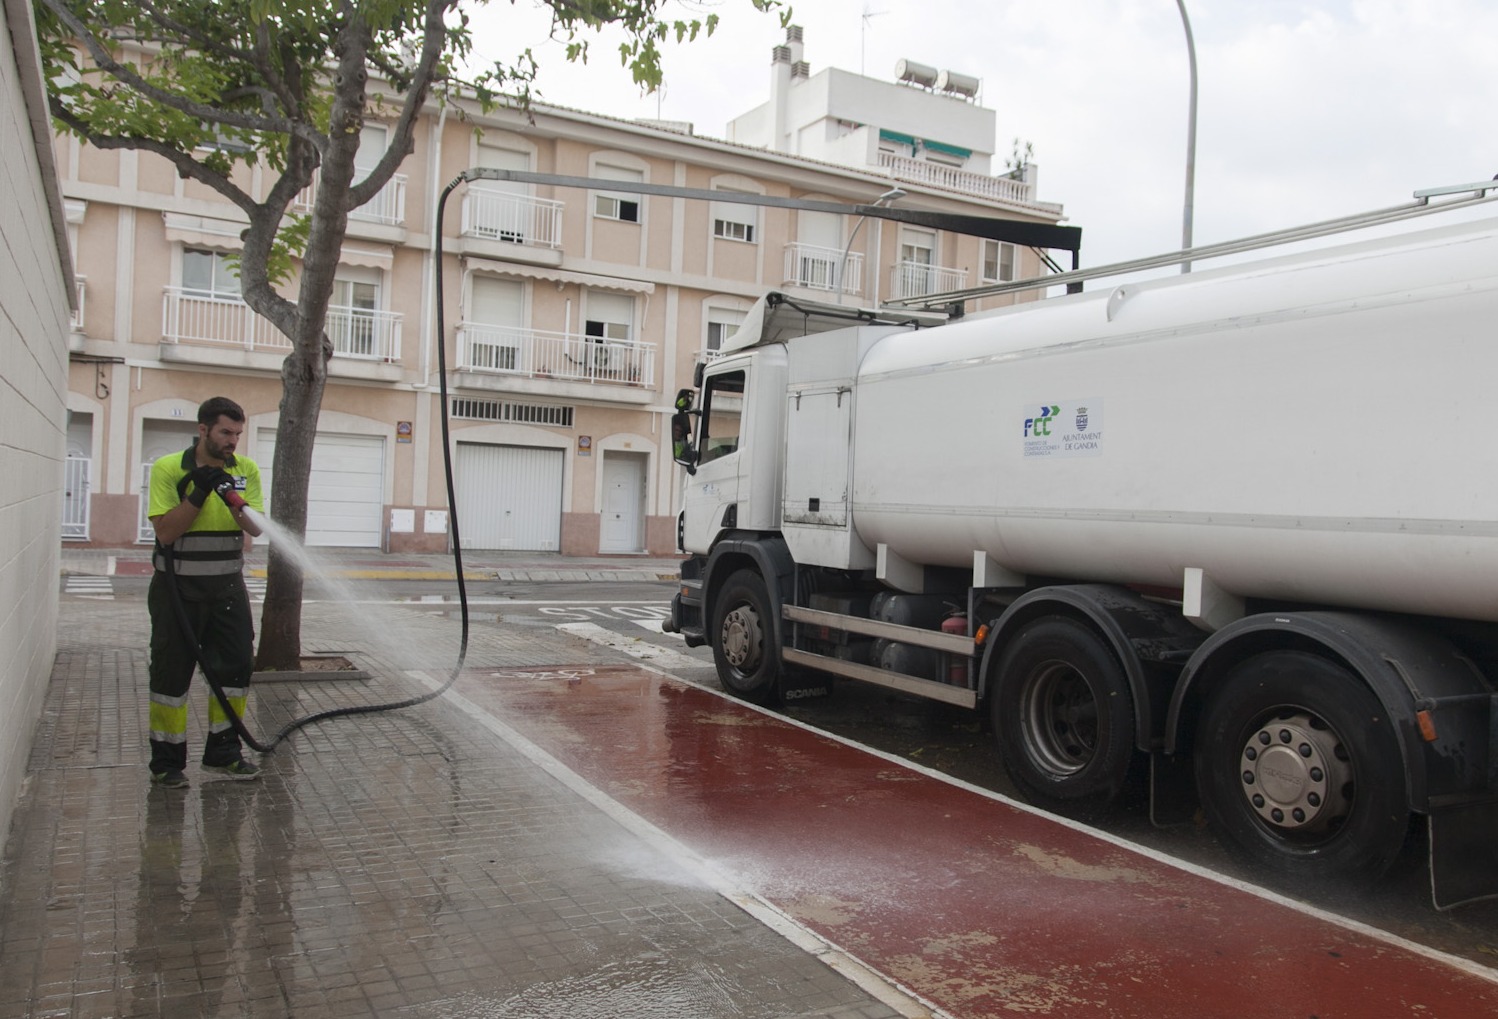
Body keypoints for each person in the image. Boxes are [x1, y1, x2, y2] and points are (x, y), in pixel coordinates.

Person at [146, 396, 265, 788]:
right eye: (225, 432)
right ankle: (166, 763)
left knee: (236, 668)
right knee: (171, 673)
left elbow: (256, 528)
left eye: (237, 434)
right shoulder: (168, 468)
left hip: (227, 590)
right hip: (177, 591)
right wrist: (197, 492)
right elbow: (166, 532)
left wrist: (234, 500)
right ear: (203, 430)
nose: (232, 441)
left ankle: (224, 754)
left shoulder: (244, 469)